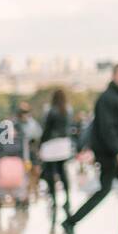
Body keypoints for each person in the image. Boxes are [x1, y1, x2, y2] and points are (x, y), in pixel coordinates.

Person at [63, 64, 118, 234]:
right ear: (114, 75)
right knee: (105, 190)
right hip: (112, 153)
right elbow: (108, 129)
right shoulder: (108, 99)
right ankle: (70, 221)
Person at [40, 89, 75, 222]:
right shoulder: (68, 110)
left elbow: (47, 129)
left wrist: (41, 144)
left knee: (50, 173)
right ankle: (67, 198)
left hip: (51, 144)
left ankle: (54, 199)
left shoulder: (51, 110)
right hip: (63, 144)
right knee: (62, 172)